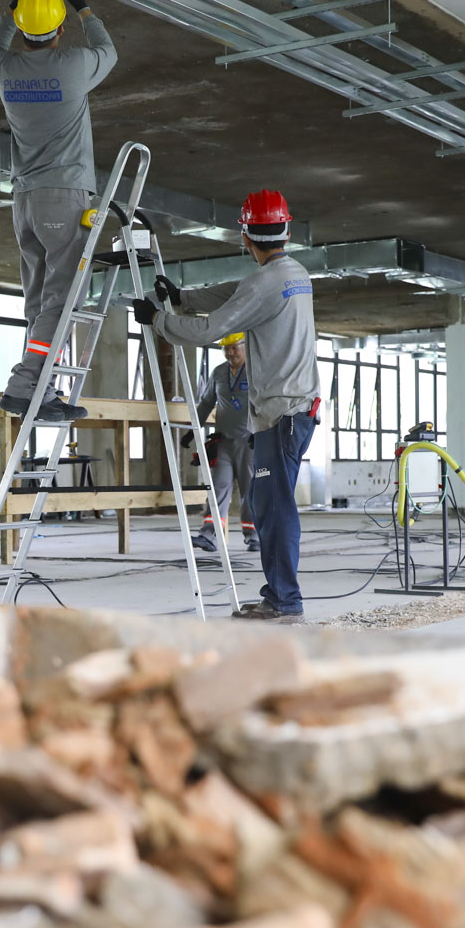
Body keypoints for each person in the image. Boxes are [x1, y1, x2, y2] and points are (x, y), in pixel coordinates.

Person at [135, 190, 318, 623]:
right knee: (269, 503)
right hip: (292, 410)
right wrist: (183, 297)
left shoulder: (264, 281)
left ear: (245, 236)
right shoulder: (295, 273)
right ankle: (279, 596)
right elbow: (233, 295)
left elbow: (209, 330)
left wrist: (158, 319)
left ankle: (285, 601)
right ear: (286, 231)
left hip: (281, 414)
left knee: (274, 509)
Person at [0, 0, 118, 424]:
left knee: (40, 303)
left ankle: (42, 388)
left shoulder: (5, 69)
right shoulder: (74, 65)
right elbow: (109, 50)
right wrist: (83, 5)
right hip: (64, 198)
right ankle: (26, 387)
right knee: (59, 303)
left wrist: (12, 5)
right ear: (61, 29)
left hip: (24, 201)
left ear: (22, 30)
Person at [186, 334, 257, 554]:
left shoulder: (257, 371)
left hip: (250, 442)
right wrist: (193, 430)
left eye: (234, 348)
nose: (230, 353)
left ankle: (255, 536)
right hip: (223, 442)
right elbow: (207, 402)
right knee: (217, 489)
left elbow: (266, 402)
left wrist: (262, 431)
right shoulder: (218, 372)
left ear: (245, 347)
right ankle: (209, 535)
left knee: (250, 491)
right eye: (226, 349)